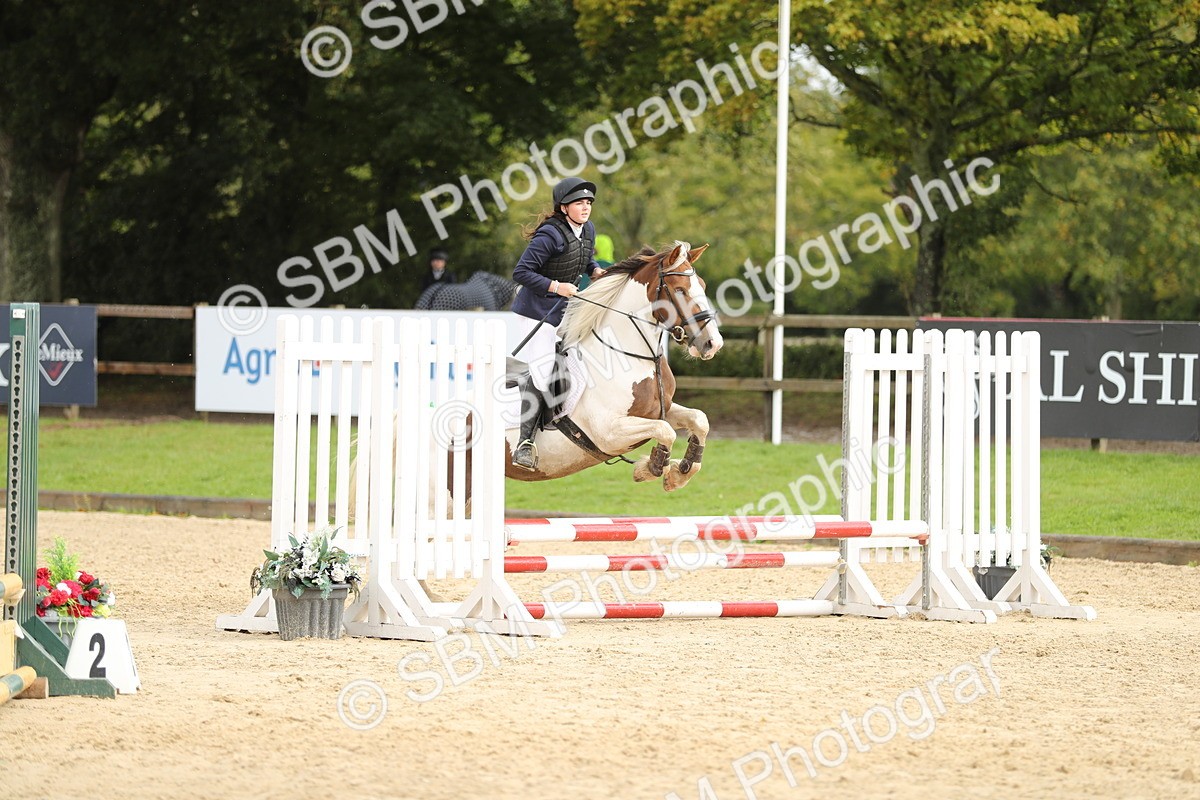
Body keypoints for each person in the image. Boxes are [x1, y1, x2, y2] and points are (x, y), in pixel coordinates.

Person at [509, 176, 606, 471]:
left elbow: (582, 260)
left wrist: (596, 270)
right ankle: (524, 444)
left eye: (588, 203)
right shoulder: (549, 234)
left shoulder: (587, 229)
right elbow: (521, 272)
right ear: (564, 207)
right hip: (537, 312)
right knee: (542, 373)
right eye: (579, 203)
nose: (586, 207)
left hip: (567, 311)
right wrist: (555, 286)